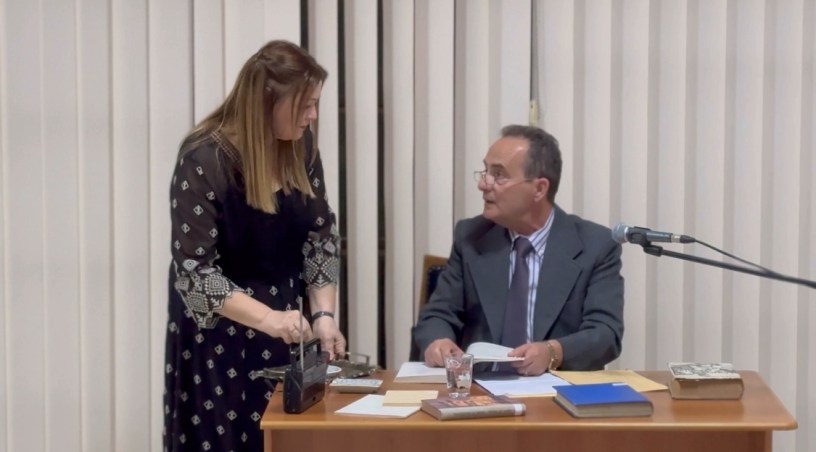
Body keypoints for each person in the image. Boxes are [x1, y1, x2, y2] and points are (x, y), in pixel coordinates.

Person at [163, 40, 346, 452]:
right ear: (268, 102)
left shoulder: (301, 147)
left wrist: (323, 316)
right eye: (305, 105)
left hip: (286, 324)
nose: (313, 116)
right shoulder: (203, 160)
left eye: (315, 104)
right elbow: (194, 274)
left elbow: (320, 238)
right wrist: (268, 318)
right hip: (219, 334)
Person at [412, 125, 624, 375]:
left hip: (554, 389)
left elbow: (605, 334)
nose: (483, 184)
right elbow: (438, 314)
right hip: (480, 387)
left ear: (539, 189)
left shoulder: (595, 245)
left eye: (499, 175)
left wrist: (553, 352)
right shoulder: (471, 237)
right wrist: (438, 341)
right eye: (485, 171)